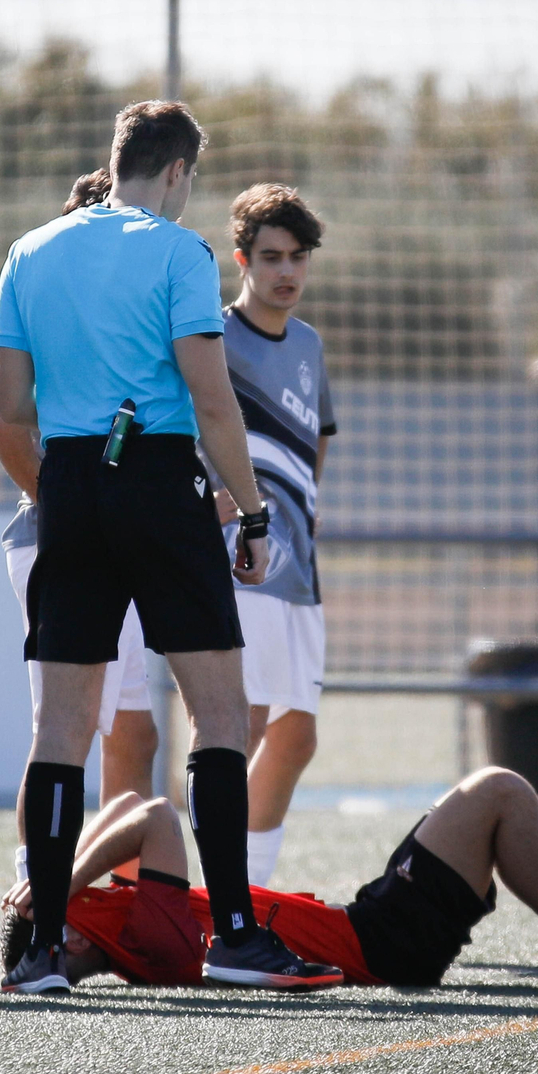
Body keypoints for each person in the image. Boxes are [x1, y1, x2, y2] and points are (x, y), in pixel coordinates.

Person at [0, 99, 342, 994]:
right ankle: (233, 937)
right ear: (180, 171)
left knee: (60, 726)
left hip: (67, 481)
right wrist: (256, 515)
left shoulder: (31, 249)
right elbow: (211, 398)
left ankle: (39, 953)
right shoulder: (179, 251)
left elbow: (10, 407)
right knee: (221, 715)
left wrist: (69, 492)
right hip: (159, 478)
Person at [1, 772, 538, 990]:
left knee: (487, 813)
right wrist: (56, 887)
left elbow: (122, 805)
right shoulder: (143, 937)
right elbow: (153, 815)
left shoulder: (125, 920)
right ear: (70, 935)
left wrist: (51, 875)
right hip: (378, 942)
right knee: (499, 792)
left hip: (371, 928)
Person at [0, 168, 160, 872]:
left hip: (122, 545)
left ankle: (121, 893)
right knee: (64, 729)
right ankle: (38, 895)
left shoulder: (125, 325)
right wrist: (65, 505)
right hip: (65, 541)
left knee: (136, 733)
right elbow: (0, 421)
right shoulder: (56, 315)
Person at [208, 183, 336, 883]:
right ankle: (223, 901)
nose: (286, 271)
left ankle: (250, 890)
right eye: (271, 256)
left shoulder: (311, 345)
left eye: (298, 257)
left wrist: (304, 509)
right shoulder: (214, 337)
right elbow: (194, 424)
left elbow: (317, 438)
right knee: (239, 724)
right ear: (242, 259)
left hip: (301, 570)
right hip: (240, 561)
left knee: (298, 732)